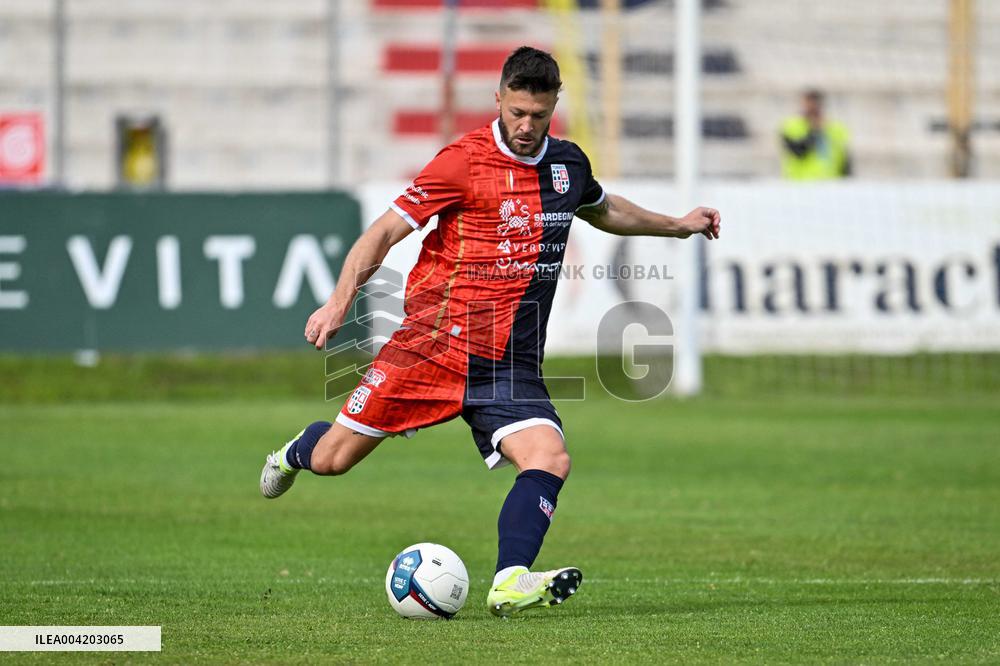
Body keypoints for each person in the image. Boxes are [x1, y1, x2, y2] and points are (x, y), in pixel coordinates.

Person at [259, 46, 721, 618]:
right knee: (334, 459)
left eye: (539, 115)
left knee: (549, 457)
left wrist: (677, 226)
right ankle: (295, 452)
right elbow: (382, 233)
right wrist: (338, 303)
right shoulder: (461, 163)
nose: (526, 126)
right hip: (432, 348)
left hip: (509, 363)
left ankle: (510, 580)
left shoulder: (568, 166)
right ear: (498, 99)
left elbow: (604, 210)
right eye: (516, 113)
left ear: (554, 106)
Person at [780, 89, 852, 180]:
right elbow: (798, 152)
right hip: (799, 183)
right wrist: (814, 131)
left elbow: (844, 160)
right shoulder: (791, 127)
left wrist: (847, 182)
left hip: (830, 183)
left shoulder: (836, 128)